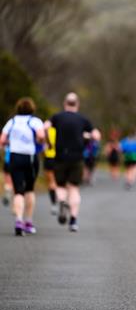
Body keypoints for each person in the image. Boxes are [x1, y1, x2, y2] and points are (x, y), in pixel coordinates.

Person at [44, 92, 100, 232]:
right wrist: (87, 140)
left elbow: (45, 127)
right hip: (77, 157)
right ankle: (73, 221)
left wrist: (49, 143)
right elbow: (96, 136)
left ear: (65, 104)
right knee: (74, 188)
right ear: (78, 104)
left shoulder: (57, 117)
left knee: (61, 186)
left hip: (60, 156)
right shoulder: (83, 120)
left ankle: (62, 202)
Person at [0, 97, 45, 236]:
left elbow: (2, 140)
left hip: (14, 156)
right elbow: (41, 136)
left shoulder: (11, 121)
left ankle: (18, 220)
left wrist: (10, 143)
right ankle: (28, 222)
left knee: (18, 190)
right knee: (30, 189)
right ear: (32, 108)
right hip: (30, 157)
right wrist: (38, 142)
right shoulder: (35, 121)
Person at [43, 125, 58, 214]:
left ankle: (53, 204)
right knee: (60, 182)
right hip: (59, 159)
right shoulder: (60, 129)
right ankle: (62, 200)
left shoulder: (46, 130)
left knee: (51, 182)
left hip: (49, 158)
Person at [2, 145, 13, 211]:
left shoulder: (8, 135)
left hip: (8, 161)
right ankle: (14, 206)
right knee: (14, 181)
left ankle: (8, 193)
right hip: (16, 160)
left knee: (8, 181)